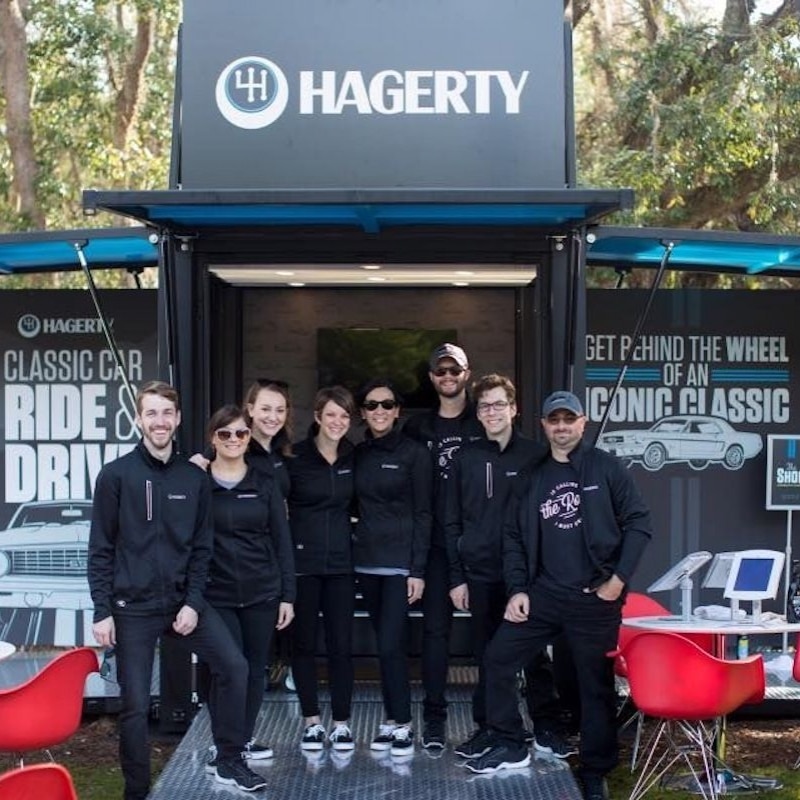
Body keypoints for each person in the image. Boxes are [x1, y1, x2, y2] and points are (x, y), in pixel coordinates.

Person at [468, 390, 653, 800]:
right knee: (497, 659)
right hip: (544, 596)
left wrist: (617, 581)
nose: (562, 426)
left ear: (583, 422)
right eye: (555, 420)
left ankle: (596, 769)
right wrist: (518, 589)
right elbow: (513, 537)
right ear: (544, 425)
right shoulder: (532, 476)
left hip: (595, 599)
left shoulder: (606, 467)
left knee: (593, 686)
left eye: (570, 419)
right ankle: (510, 742)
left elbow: (639, 523)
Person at [88, 381, 266, 798]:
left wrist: (193, 603)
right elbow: (100, 548)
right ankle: (137, 791)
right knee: (135, 705)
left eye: (167, 413)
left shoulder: (193, 477)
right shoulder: (115, 476)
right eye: (151, 413)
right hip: (131, 607)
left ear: (178, 418)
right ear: (139, 419)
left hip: (183, 604)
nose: (160, 421)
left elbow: (203, 549)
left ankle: (229, 760)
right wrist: (102, 609)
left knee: (235, 667)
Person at [445, 374, 577, 761]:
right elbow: (451, 520)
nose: (492, 412)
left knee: (534, 655)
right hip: (481, 573)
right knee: (487, 655)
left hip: (530, 577)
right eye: (485, 406)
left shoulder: (536, 456)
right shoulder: (465, 458)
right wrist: (456, 576)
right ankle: (491, 728)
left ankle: (546, 726)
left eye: (499, 404)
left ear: (514, 409)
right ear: (478, 413)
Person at [203, 404, 296, 770]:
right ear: (213, 438)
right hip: (216, 595)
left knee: (255, 670)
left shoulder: (264, 482)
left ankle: (241, 740)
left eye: (241, 432)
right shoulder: (198, 482)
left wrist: (288, 594)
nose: (234, 439)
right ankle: (223, 743)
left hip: (262, 592)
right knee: (228, 669)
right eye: (225, 433)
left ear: (248, 437)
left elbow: (282, 541)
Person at [403, 343, 484, 749]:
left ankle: (491, 722)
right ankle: (434, 720)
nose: (448, 376)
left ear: (466, 374)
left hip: (480, 543)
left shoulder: (483, 420)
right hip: (435, 546)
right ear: (431, 377)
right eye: (441, 371)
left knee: (490, 635)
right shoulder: (418, 428)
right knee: (436, 634)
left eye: (455, 370)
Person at [353, 379, 432, 757]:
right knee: (383, 647)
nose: (379, 411)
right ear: (363, 412)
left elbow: (424, 513)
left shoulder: (414, 453)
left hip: (400, 567)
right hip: (365, 563)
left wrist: (417, 569)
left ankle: (402, 723)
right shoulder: (358, 453)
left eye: (387, 404)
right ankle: (390, 720)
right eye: (372, 405)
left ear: (397, 410)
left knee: (390, 646)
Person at [286, 386, 357, 751]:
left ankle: (342, 723)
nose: (337, 422)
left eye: (344, 416)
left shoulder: (354, 456)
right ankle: (312, 722)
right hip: (303, 564)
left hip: (342, 565)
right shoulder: (295, 456)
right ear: (317, 417)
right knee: (303, 645)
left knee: (341, 645)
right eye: (331, 414)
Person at [243, 378, 293, 497]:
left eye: (280, 411)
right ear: (251, 410)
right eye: (265, 409)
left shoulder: (283, 452)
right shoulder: (235, 448)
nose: (273, 417)